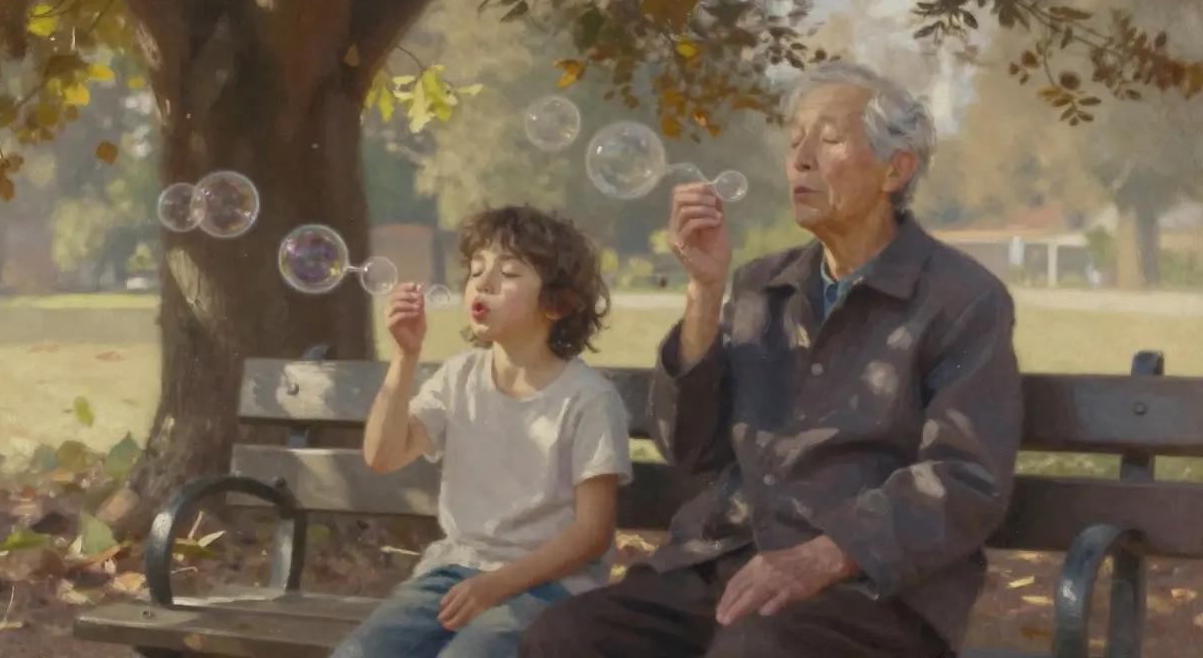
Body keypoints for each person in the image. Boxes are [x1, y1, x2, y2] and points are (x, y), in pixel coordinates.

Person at [519, 61, 1025, 657]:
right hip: (721, 563)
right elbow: (690, 448)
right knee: (566, 639)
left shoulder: (962, 300)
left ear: (897, 169)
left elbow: (963, 477)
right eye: (794, 142)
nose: (801, 159)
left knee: (754, 650)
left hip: (868, 592)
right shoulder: (762, 286)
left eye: (830, 139)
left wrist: (824, 554)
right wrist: (704, 294)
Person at [331, 205, 634, 658]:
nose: (484, 283)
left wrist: (496, 585)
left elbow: (592, 533)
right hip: (454, 574)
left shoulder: (587, 398)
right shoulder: (459, 379)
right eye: (476, 271)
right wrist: (405, 357)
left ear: (558, 303)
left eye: (508, 273)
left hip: (548, 587)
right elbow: (382, 455)